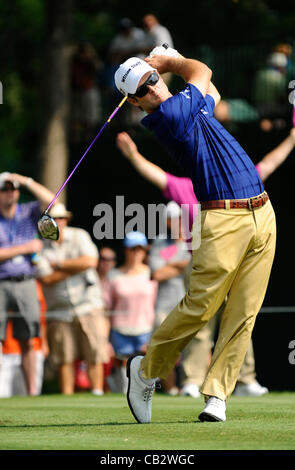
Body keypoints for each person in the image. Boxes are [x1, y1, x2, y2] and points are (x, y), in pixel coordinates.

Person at [114, 48, 277, 422]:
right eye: (143, 89)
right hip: (223, 218)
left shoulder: (191, 106)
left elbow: (212, 93)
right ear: (137, 103)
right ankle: (144, 372)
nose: (152, 88)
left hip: (262, 211)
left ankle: (217, 395)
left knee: (244, 311)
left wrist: (172, 67)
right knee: (201, 305)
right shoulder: (169, 115)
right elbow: (202, 69)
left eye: (152, 78)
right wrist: (172, 59)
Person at [116, 128, 295, 398]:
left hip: (240, 254)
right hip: (201, 258)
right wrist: (133, 156)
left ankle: (244, 380)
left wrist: (292, 138)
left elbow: (268, 164)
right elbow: (157, 176)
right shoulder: (187, 187)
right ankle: (192, 379)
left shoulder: (239, 179)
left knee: (241, 314)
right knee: (200, 318)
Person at [36, 203, 110, 396]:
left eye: (60, 218)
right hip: (59, 309)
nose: (57, 222)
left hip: (88, 304)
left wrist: (59, 265)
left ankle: (97, 393)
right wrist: (76, 267)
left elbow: (91, 261)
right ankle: (67, 399)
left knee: (94, 353)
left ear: (66, 220)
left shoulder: (80, 235)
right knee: (64, 358)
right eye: (53, 218)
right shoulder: (41, 245)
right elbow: (46, 278)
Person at [0, 172, 54, 396]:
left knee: (29, 340)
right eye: (4, 189)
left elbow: (52, 200)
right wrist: (24, 248)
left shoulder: (28, 211)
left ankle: (33, 393)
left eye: (13, 188)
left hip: (26, 282)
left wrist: (26, 180)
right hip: (1, 282)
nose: (9, 192)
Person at [105, 231, 157, 394]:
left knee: (146, 370)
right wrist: (105, 339)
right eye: (132, 248)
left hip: (145, 329)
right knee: (123, 374)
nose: (136, 252)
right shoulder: (113, 275)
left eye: (140, 249)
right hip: (120, 330)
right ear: (126, 250)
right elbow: (107, 309)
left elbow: (157, 305)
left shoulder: (152, 273)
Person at [148, 202, 191, 395]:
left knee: (198, 347)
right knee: (167, 349)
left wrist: (171, 265)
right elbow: (157, 274)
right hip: (165, 305)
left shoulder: (195, 241)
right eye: (172, 220)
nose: (177, 223)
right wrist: (186, 264)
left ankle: (193, 385)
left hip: (191, 303)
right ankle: (172, 389)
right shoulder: (161, 242)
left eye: (180, 219)